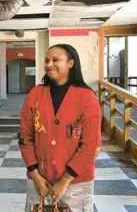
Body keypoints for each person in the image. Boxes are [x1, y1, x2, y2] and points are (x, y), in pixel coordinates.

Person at [18, 44, 102, 212]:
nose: (49, 64)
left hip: (77, 182)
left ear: (71, 63)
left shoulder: (87, 97)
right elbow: (25, 137)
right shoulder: (35, 94)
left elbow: (91, 144)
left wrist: (65, 181)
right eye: (47, 60)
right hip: (39, 179)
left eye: (56, 60)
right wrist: (35, 175)